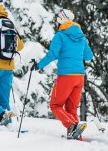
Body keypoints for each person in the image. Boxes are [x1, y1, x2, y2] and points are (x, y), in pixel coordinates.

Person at [32, 8, 93, 140]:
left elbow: (52, 54)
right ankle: (77, 138)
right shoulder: (81, 37)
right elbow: (89, 56)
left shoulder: (60, 35)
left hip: (66, 76)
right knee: (71, 109)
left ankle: (71, 126)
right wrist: (84, 44)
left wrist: (38, 65)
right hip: (79, 77)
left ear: (61, 19)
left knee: (55, 105)